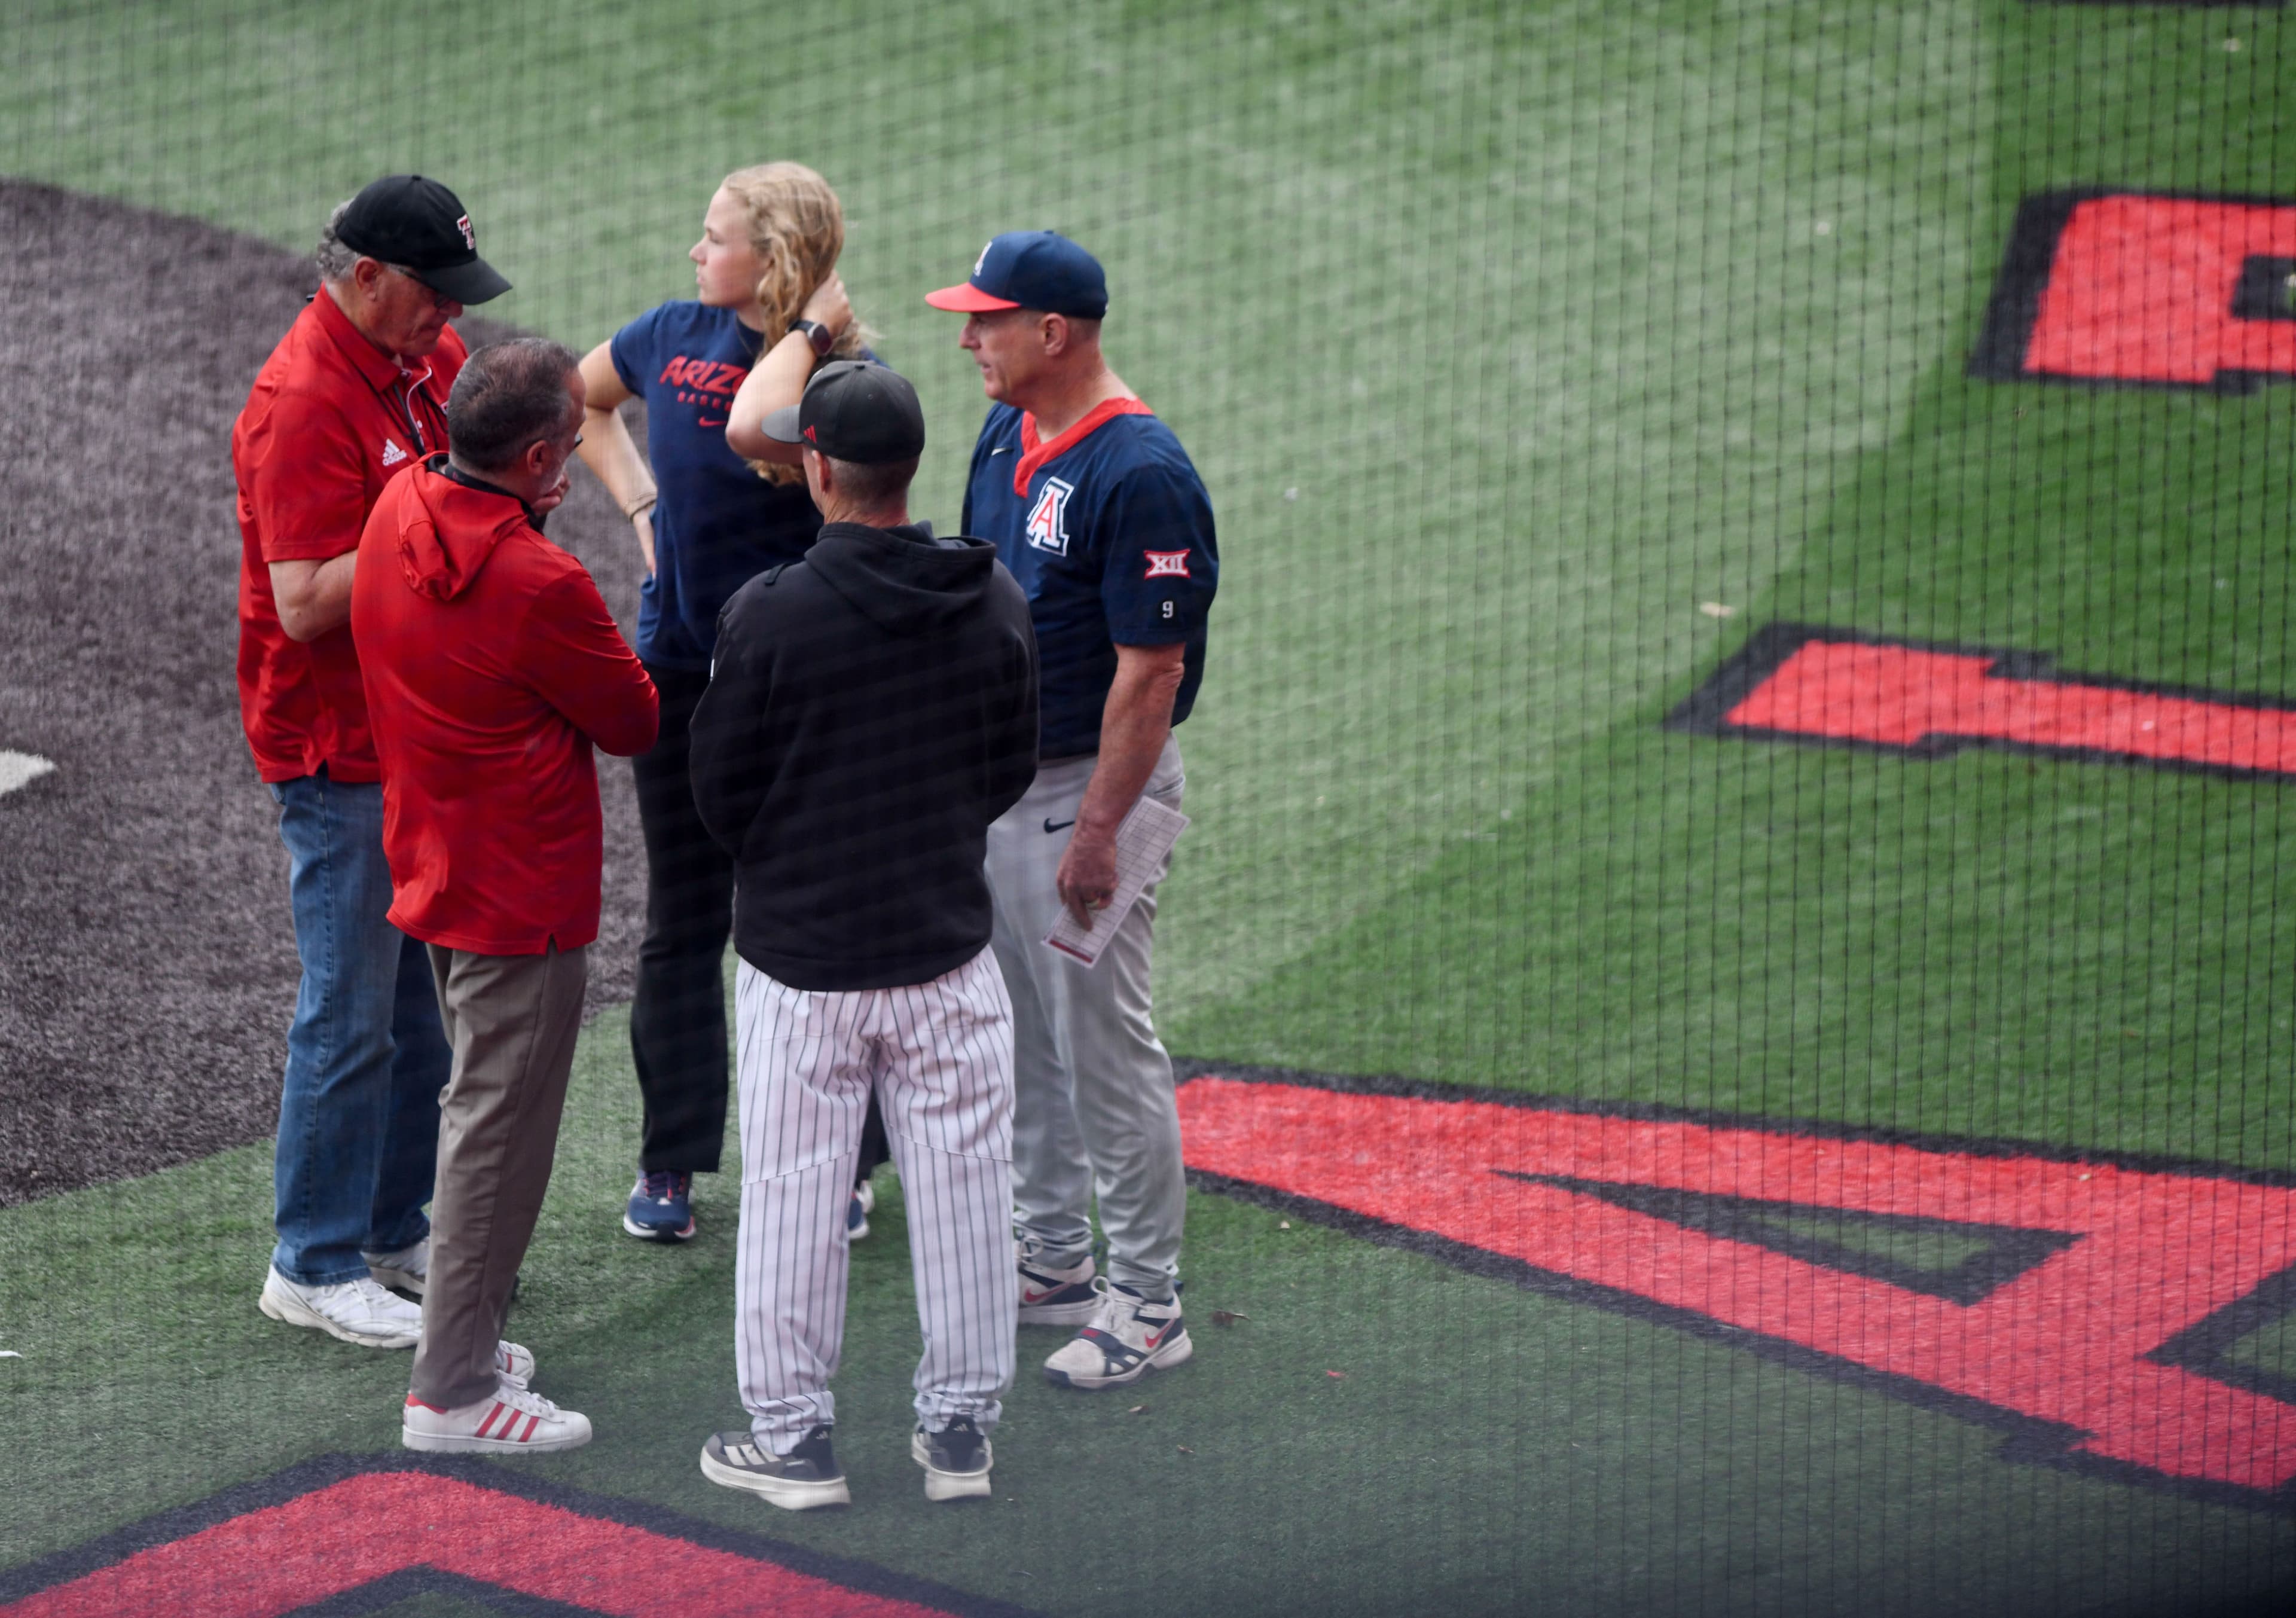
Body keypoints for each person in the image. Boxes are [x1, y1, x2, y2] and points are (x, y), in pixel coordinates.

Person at [687, 362, 1038, 1508]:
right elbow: (1005, 771)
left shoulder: (771, 612)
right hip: (945, 953)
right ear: (909, 468)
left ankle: (793, 1444)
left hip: (804, 965)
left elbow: (718, 795)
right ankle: (958, 1436)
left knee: (794, 1192)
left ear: (819, 466)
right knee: (970, 1192)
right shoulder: (992, 602)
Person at [352, 338, 660, 1452]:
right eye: (569, 446)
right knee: (498, 1135)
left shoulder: (397, 506)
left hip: (433, 864)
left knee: (473, 1112)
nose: (576, 461)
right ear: (534, 457)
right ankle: (454, 1390)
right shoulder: (542, 580)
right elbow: (633, 719)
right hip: (522, 899)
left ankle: (463, 1330)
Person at [573, 161, 887, 1246]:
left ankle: (849, 1156)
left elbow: (768, 432)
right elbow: (584, 400)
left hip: (803, 694)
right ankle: (671, 1160)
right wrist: (644, 502)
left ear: (778, 259)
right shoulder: (670, 332)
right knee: (682, 925)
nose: (696, 253)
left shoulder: (847, 376)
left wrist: (804, 331)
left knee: (819, 922)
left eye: (715, 238)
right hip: (678, 673)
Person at [927, 231, 1219, 1390]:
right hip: (1007, 791)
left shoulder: (1140, 470)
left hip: (1096, 796)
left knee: (1104, 1048)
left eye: (986, 321)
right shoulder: (1010, 428)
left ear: (1053, 333)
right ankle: (1050, 1259)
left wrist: (1097, 831)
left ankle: (1149, 1300)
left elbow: (1150, 673)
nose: (966, 339)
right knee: (1023, 1039)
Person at [232, 174, 509, 1348]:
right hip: (334, 749)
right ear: (364, 279)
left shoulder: (417, 366)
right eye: (431, 299)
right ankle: (312, 1259)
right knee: (350, 1008)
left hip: (410, 733)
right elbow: (300, 604)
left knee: (415, 1008)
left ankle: (393, 1227)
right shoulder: (302, 400)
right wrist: (437, 518)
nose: (449, 321)